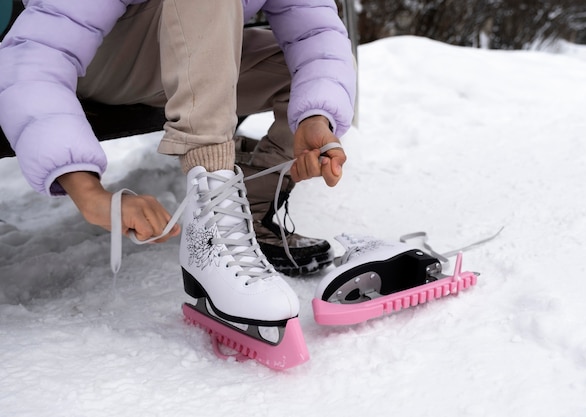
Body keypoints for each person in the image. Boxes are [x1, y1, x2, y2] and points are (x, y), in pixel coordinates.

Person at [0, 1, 356, 331]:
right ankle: (211, 226)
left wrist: (315, 116)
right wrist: (88, 191)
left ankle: (244, 206)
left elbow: (316, 36)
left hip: (189, 50)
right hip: (104, 62)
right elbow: (35, 60)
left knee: (305, 69)